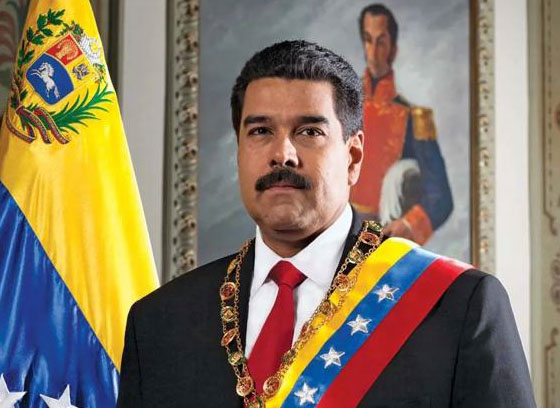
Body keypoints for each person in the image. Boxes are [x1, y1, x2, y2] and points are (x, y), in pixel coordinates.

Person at [116, 40, 536, 407]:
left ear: (353, 158)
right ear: (240, 152)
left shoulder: (459, 306)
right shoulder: (158, 323)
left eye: (309, 132)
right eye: (260, 131)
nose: (282, 154)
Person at [350, 4, 453, 245]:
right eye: (368, 40)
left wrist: (407, 225)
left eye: (381, 42)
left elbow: (440, 197)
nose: (373, 52)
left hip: (383, 241)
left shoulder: (413, 118)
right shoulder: (341, 109)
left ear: (393, 50)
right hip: (337, 238)